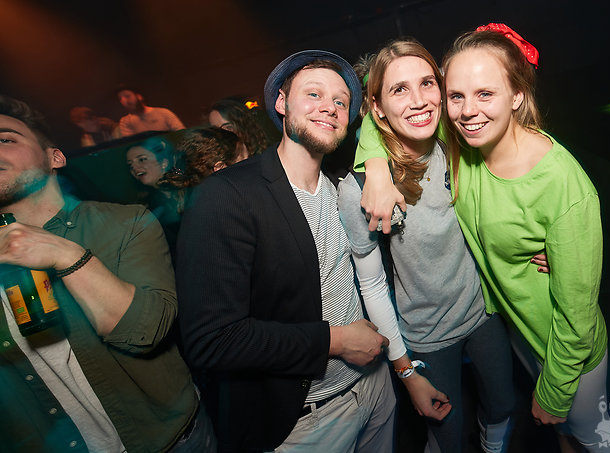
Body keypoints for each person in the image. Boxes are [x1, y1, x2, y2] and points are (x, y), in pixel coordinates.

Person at [356, 24, 610, 452]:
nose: (468, 111)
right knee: (567, 438)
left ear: (517, 95)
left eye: (485, 94)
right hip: (517, 331)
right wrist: (374, 167)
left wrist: (555, 391)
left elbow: (578, 318)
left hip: (566, 349)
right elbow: (390, 114)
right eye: (456, 96)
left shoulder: (561, 184)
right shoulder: (465, 144)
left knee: (596, 435)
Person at [175, 50, 396, 453]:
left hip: (375, 388)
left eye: (341, 101)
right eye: (313, 94)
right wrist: (335, 341)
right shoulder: (227, 195)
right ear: (281, 102)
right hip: (307, 421)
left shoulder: (341, 185)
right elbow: (211, 340)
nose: (329, 106)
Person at [0, 96, 214, 452]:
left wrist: (64, 253)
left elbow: (144, 333)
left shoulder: (126, 223)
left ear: (55, 158)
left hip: (166, 441)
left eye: (5, 139)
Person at [337, 38, 516, 453]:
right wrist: (405, 370)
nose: (418, 101)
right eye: (399, 89)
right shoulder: (358, 189)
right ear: (377, 106)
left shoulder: (457, 139)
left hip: (483, 311)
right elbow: (372, 286)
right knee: (447, 436)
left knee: (504, 406)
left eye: (427, 83)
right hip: (427, 334)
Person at [208, 97, 274, 160]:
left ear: (243, 125)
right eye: (216, 130)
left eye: (228, 127)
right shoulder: (221, 161)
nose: (221, 134)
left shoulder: (266, 156)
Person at [116, 86, 185, 136]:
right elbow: (131, 144)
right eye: (120, 99)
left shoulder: (163, 112)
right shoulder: (125, 121)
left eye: (127, 96)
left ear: (139, 96)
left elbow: (182, 133)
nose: (124, 101)